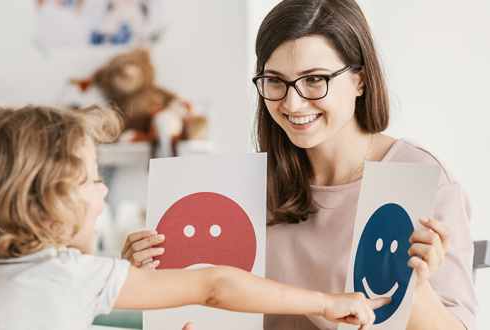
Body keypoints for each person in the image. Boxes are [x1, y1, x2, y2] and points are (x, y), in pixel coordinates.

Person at [120, 0, 479, 329]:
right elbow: (217, 304)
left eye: (314, 79)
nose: (292, 103)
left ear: (360, 80)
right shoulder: (247, 186)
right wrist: (149, 280)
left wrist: (415, 288)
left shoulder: (418, 178)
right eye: (275, 81)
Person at [0, 105, 388, 330]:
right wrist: (323, 303)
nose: (103, 188)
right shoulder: (68, 276)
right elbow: (214, 285)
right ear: (41, 204)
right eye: (89, 179)